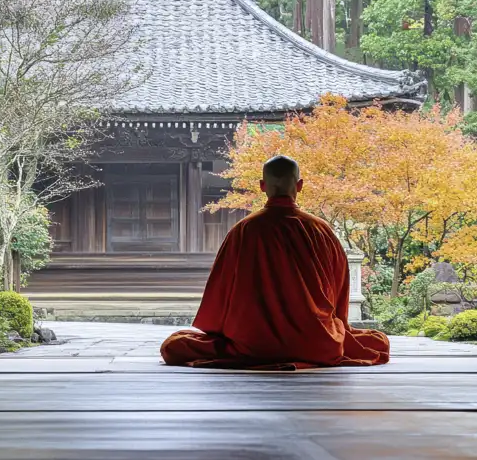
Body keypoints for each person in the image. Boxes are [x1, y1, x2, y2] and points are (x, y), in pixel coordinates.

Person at [161, 155, 390, 370]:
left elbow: (219, 294)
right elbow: (339, 288)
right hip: (317, 344)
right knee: (378, 342)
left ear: (262, 186)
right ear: (299, 185)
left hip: (253, 345)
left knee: (173, 345)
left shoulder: (244, 230)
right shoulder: (321, 230)